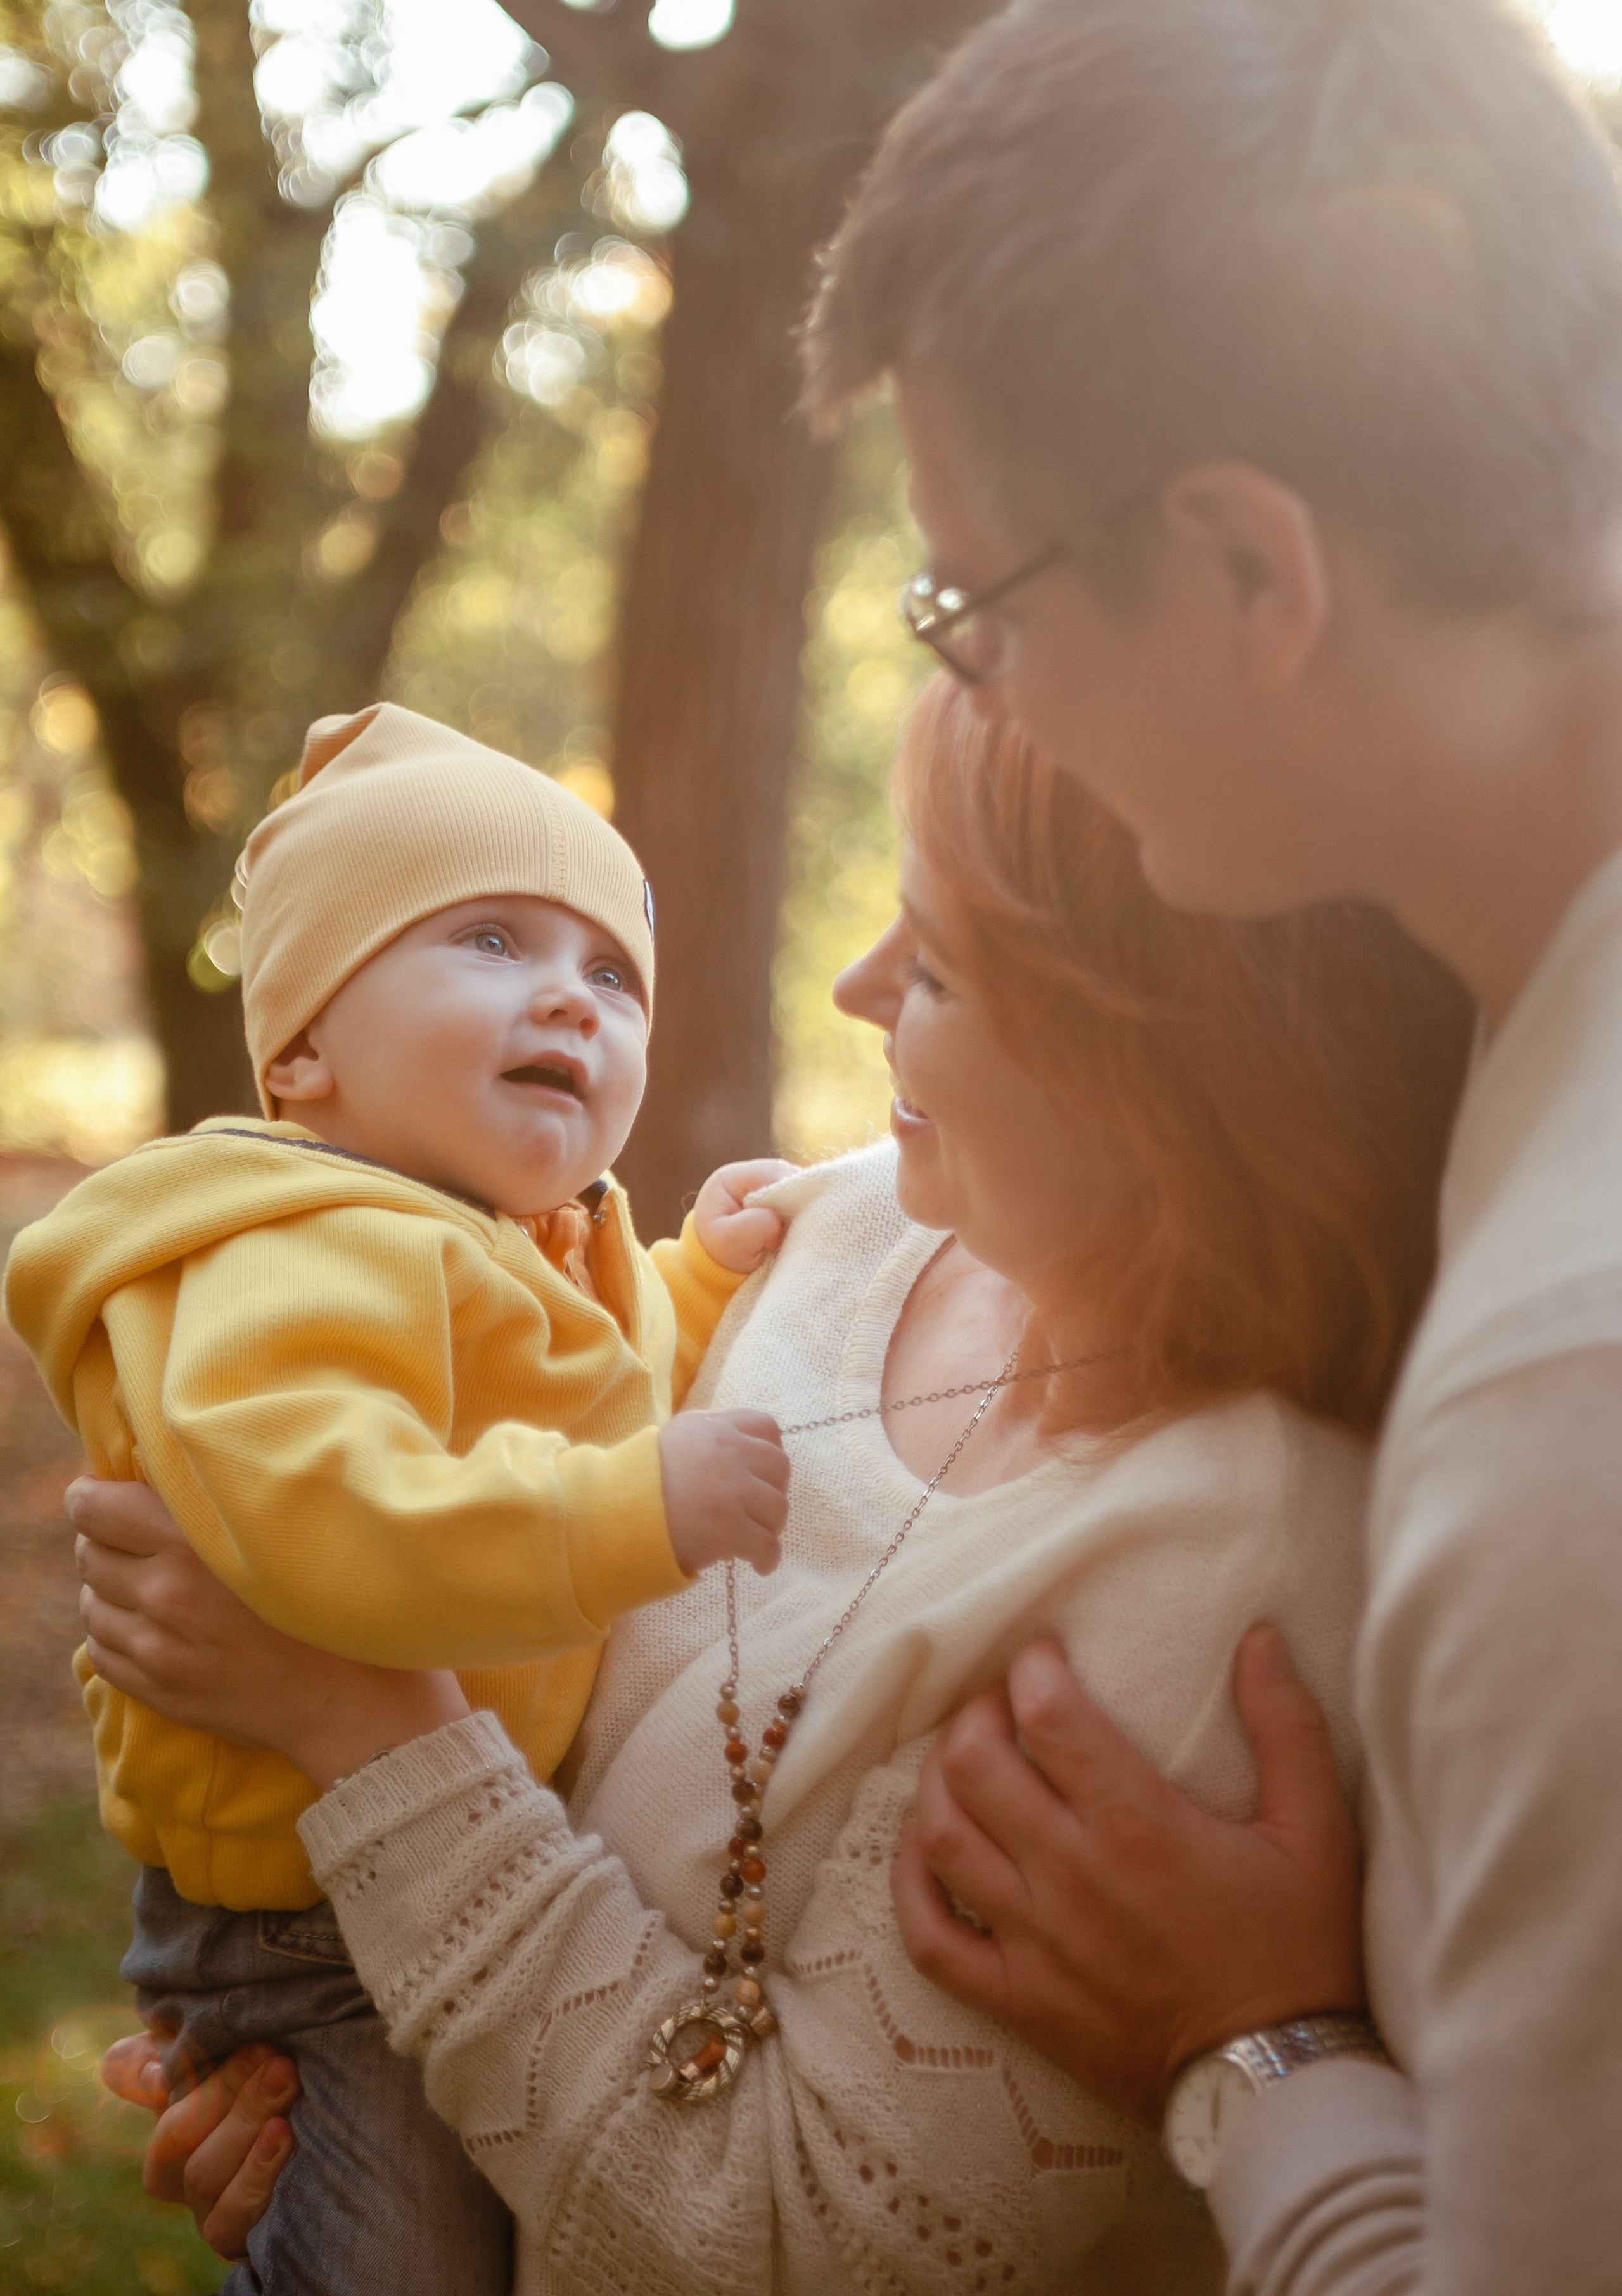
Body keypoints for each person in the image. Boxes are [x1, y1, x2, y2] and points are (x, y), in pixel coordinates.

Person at [67, 677, 1471, 2292]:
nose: (854, 987)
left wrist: (363, 1732)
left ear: (1171, 1044)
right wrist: (325, 2088)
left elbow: (782, 2243)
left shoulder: (1218, 1575)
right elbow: (550, 1438)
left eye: (937, 964)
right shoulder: (847, 1227)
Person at [796, 0, 1622, 2295]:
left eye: (979, 611)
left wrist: (1265, 2049)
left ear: (1254, 569)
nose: (987, 697)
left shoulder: (1568, 1402)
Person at [5, 699, 794, 2295]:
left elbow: (574, 1377)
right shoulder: (292, 1252)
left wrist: (698, 1282)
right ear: (302, 1052)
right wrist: (623, 1514)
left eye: (612, 973)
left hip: (419, 1859)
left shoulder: (501, 1245)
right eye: (491, 941)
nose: (567, 995)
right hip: (306, 1922)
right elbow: (327, 1515)